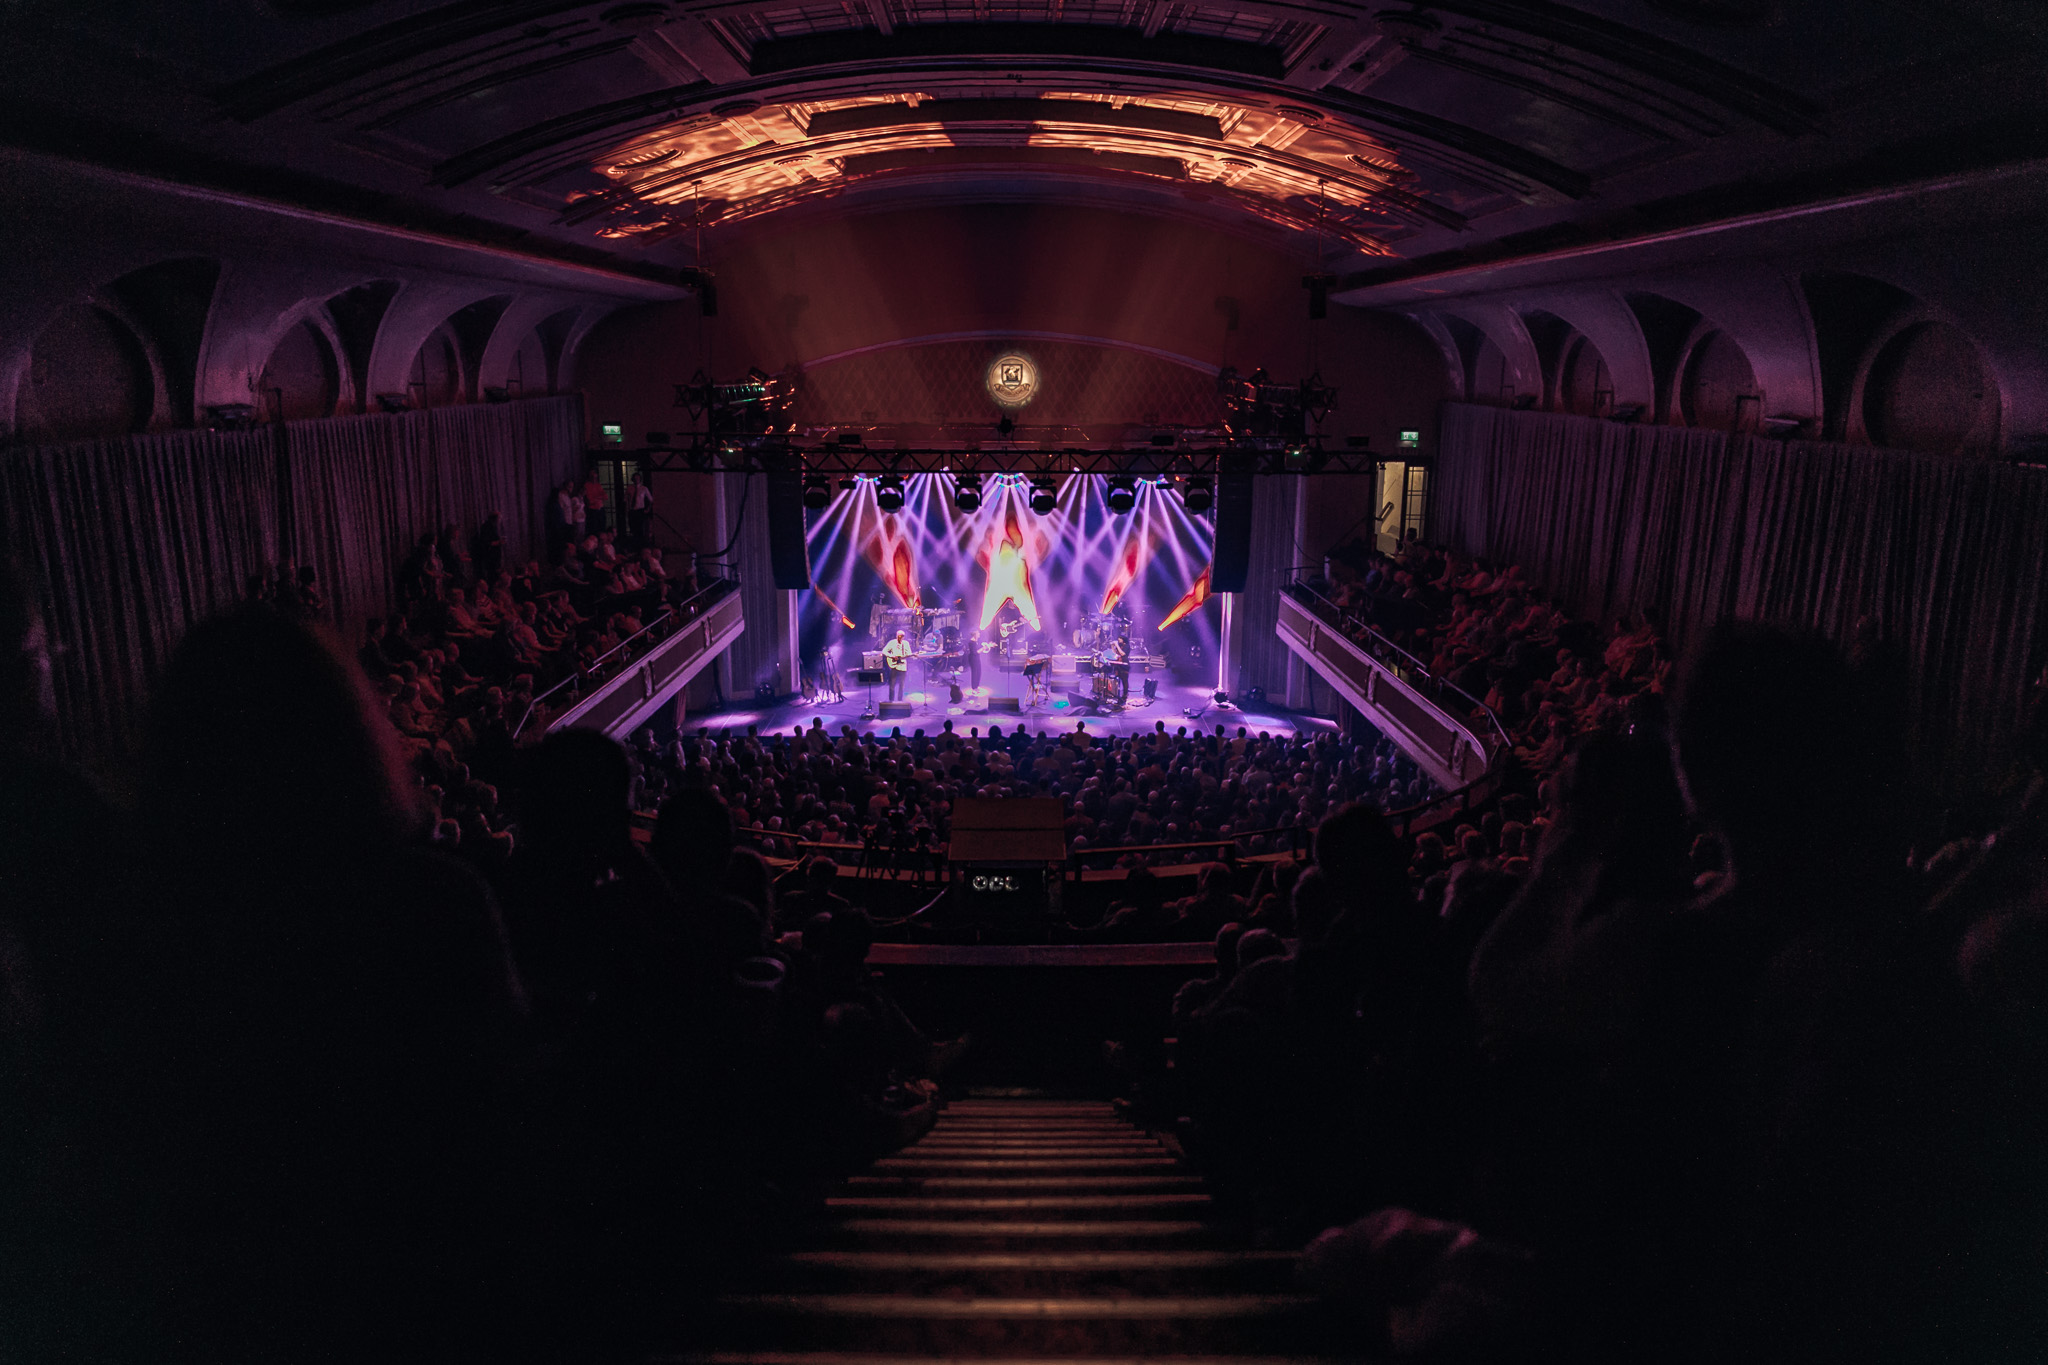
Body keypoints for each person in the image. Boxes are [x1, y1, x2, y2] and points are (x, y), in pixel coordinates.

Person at [881, 629, 911, 701]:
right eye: (899, 636)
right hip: (894, 665)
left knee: (902, 685)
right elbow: (884, 651)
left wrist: (909, 655)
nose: (900, 638)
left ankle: (900, 701)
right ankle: (891, 700)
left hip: (902, 666)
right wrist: (891, 656)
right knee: (892, 684)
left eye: (902, 636)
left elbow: (909, 653)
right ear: (896, 636)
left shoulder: (906, 643)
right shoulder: (892, 642)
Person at [626, 472, 654, 550]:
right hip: (632, 510)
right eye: (635, 478)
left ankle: (641, 546)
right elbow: (626, 499)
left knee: (640, 529)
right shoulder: (630, 488)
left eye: (638, 478)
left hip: (640, 510)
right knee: (633, 528)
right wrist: (627, 509)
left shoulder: (644, 488)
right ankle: (635, 545)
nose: (636, 479)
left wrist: (648, 508)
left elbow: (651, 500)